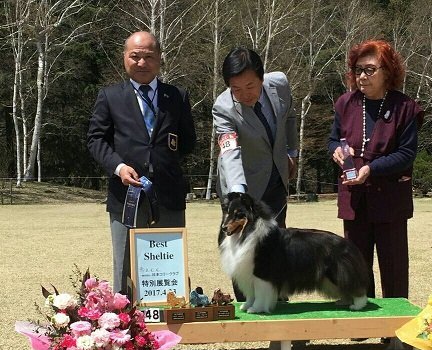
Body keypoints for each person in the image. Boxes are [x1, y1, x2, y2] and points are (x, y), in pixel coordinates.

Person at [87, 31, 196, 293]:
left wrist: (162, 163)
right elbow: (95, 140)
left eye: (148, 56)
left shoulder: (177, 96)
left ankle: (168, 329)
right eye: (135, 56)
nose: (141, 62)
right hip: (126, 196)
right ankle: (124, 327)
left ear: (159, 59)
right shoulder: (110, 96)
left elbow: (188, 142)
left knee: (168, 267)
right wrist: (119, 167)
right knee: (124, 268)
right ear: (125, 58)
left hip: (169, 196)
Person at [328, 39, 424, 301]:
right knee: (355, 263)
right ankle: (360, 318)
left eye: (370, 70)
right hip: (354, 196)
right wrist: (335, 150)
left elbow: (406, 154)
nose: (362, 76)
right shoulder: (345, 103)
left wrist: (371, 168)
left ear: (388, 71)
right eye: (358, 70)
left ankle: (395, 331)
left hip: (390, 197)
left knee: (393, 265)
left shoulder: (404, 107)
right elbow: (334, 139)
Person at [213, 47, 298, 301]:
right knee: (242, 249)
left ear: (262, 78)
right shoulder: (223, 107)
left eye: (250, 86)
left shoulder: (279, 84)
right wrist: (238, 195)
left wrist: (291, 152)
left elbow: (290, 117)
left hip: (276, 179)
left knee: (275, 244)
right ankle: (248, 305)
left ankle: (277, 302)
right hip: (243, 186)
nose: (244, 94)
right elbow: (230, 152)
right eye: (236, 89)